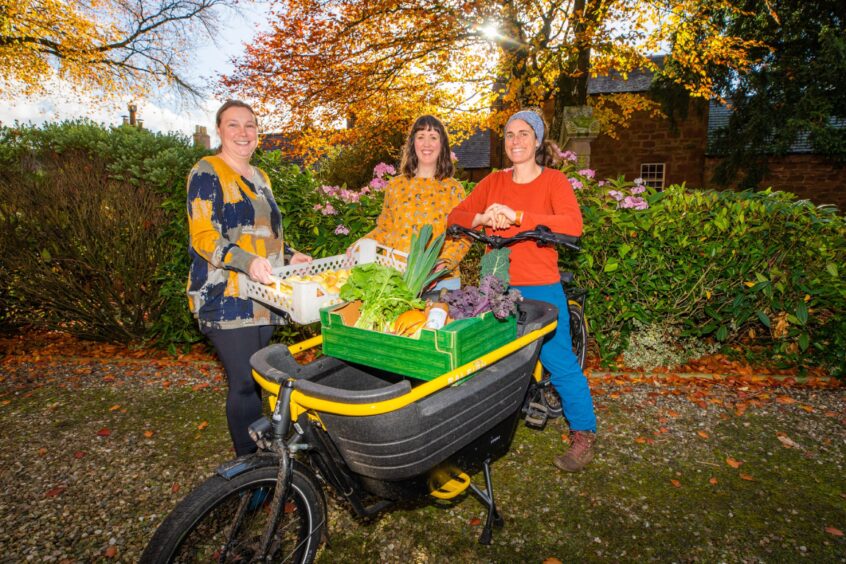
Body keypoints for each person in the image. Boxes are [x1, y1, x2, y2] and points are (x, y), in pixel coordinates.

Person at [447, 109, 597, 472]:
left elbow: (572, 225)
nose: (516, 141)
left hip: (540, 283)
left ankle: (584, 434)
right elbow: (455, 217)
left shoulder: (554, 181)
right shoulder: (492, 183)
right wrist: (483, 218)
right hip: (494, 282)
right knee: (486, 359)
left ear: (538, 140)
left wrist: (518, 218)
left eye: (524, 134)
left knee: (558, 358)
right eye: (510, 134)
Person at [186, 100, 311, 457]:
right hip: (225, 294)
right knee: (243, 382)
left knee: (258, 381)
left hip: (264, 296)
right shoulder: (207, 171)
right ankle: (247, 469)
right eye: (234, 125)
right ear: (219, 131)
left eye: (250, 125)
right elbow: (203, 236)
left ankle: (265, 456)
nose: (243, 133)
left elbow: (264, 236)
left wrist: (290, 256)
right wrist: (245, 260)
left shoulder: (261, 177)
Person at [350, 115, 470, 290]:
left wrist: (442, 265)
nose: (426, 144)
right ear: (413, 143)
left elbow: (463, 237)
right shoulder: (395, 186)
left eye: (433, 137)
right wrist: (361, 244)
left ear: (442, 145)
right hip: (396, 280)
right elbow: (385, 229)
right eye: (421, 137)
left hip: (441, 284)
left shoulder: (454, 189)